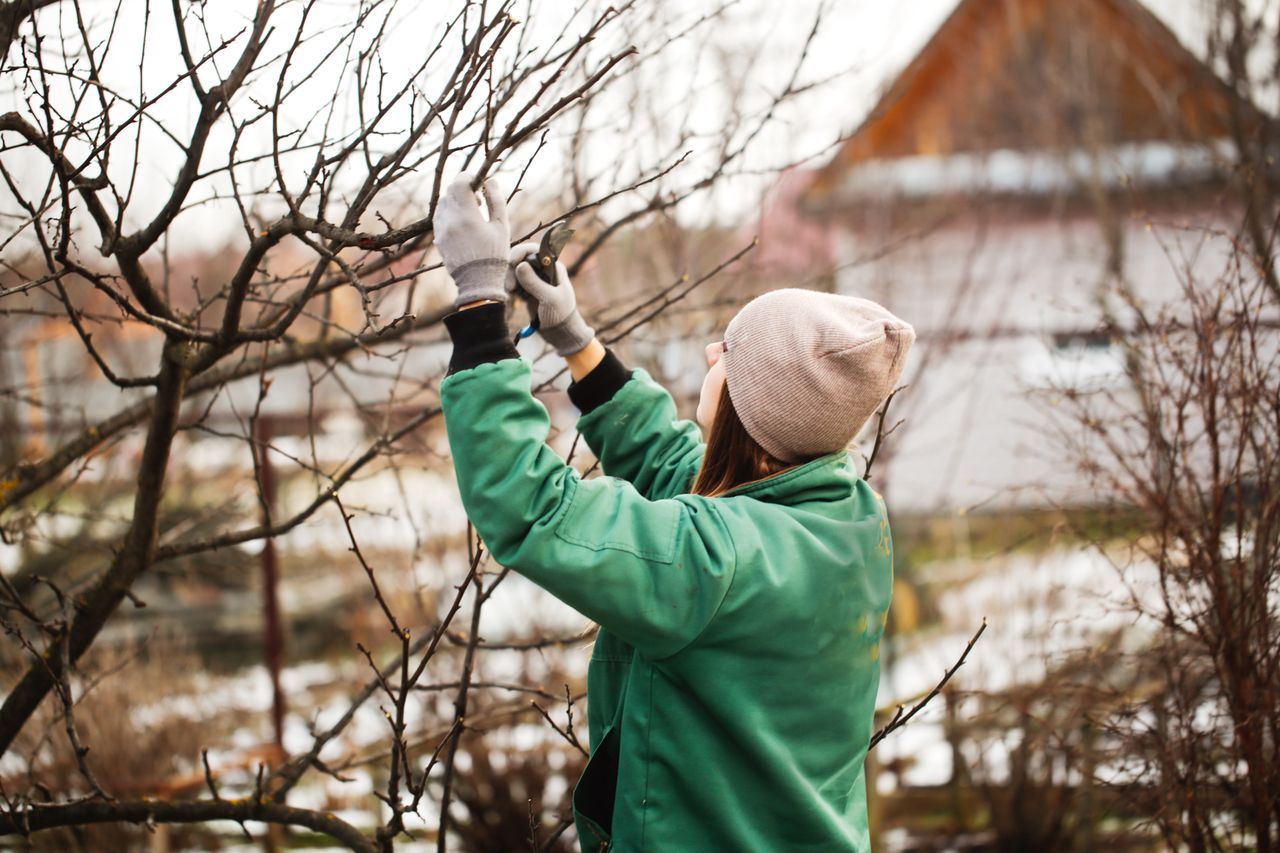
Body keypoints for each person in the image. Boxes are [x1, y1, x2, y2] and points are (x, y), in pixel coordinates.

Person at [432, 173, 915, 852]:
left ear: (760, 408)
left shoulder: (715, 561)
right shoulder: (849, 519)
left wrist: (481, 304)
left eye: (730, 351)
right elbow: (685, 469)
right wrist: (577, 342)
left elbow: (536, 506)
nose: (711, 352)